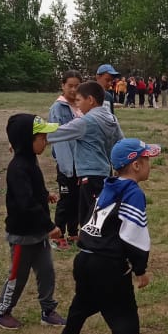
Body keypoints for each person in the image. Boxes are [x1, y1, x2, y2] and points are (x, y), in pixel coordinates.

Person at [56, 138, 160, 334]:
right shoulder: (133, 192)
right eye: (147, 160)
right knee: (124, 315)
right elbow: (133, 234)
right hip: (109, 264)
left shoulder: (108, 185)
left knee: (83, 303)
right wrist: (140, 269)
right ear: (136, 165)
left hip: (84, 258)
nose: (150, 165)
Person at [0, 115, 66, 330]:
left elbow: (34, 189)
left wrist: (46, 195)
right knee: (18, 276)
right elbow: (26, 203)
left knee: (46, 272)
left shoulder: (31, 161)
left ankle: (48, 310)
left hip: (38, 233)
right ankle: (1, 313)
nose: (46, 141)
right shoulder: (18, 168)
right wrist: (50, 226)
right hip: (23, 234)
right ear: (27, 140)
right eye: (42, 138)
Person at [46, 81, 125, 226]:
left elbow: (57, 132)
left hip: (89, 177)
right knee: (99, 216)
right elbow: (120, 144)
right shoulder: (112, 119)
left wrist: (29, 132)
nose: (77, 105)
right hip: (105, 174)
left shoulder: (85, 122)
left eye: (78, 100)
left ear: (90, 100)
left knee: (89, 221)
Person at [48, 70, 83, 249]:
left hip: (81, 162)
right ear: (63, 86)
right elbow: (57, 137)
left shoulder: (81, 105)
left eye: (77, 86)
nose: (73, 89)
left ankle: (74, 232)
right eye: (70, 86)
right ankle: (58, 234)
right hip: (66, 163)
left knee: (78, 198)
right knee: (66, 199)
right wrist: (66, 165)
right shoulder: (57, 108)